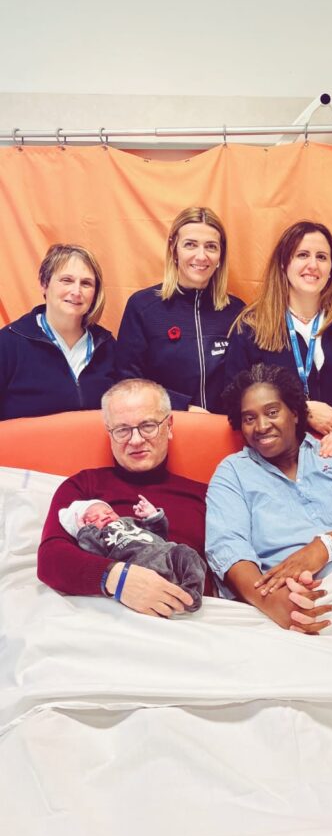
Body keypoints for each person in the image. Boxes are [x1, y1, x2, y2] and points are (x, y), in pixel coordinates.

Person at [206, 364, 332, 633]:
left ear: (295, 413)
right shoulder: (233, 472)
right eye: (249, 418)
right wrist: (272, 602)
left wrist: (322, 548)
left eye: (272, 412)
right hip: (286, 597)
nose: (261, 426)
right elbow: (227, 549)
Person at [37, 378, 209, 617]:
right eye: (122, 430)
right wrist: (118, 579)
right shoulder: (83, 486)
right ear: (109, 433)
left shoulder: (204, 495)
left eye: (148, 425)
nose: (136, 440)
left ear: (169, 426)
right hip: (105, 617)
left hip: (188, 618)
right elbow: (50, 559)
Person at [225, 220, 332, 456]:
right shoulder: (250, 327)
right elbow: (234, 401)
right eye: (302, 255)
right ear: (283, 263)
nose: (313, 265)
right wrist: (302, 409)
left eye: (322, 257)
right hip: (274, 457)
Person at [116, 207, 244, 412]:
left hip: (225, 427)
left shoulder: (237, 312)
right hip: (168, 424)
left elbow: (248, 380)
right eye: (190, 245)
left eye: (211, 247)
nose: (201, 256)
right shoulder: (142, 307)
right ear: (174, 250)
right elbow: (128, 382)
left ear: (221, 255)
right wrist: (183, 407)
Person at [0, 243, 116, 421]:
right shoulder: (7, 344)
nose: (76, 291)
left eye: (86, 283)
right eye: (66, 280)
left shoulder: (108, 346)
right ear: (44, 284)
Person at [58, 493, 206, 612]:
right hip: (142, 566)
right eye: (93, 519)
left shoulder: (129, 521)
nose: (104, 516)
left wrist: (152, 517)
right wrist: (85, 533)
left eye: (108, 512)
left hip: (168, 553)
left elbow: (160, 535)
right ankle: (170, 598)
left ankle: (190, 594)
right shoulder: (100, 538)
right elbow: (94, 550)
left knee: (188, 553)